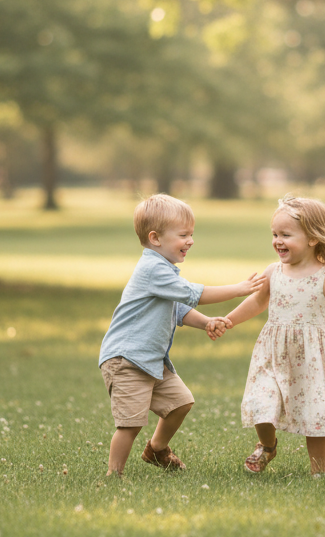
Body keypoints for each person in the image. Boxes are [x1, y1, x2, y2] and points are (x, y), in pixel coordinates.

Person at [99, 193, 266, 476]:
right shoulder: (153, 269)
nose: (190, 240)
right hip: (126, 359)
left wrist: (206, 323)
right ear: (155, 238)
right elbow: (192, 294)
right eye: (183, 235)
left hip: (150, 360)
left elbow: (177, 308)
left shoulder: (165, 270)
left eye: (191, 234)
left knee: (181, 402)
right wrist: (238, 289)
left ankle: (156, 449)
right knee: (130, 423)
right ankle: (113, 476)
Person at [222, 195, 325, 476]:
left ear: (312, 238)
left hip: (313, 359)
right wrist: (229, 320)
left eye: (286, 234)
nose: (277, 241)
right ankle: (267, 446)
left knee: (315, 414)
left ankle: (317, 472)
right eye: (274, 234)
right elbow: (258, 303)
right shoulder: (274, 272)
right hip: (273, 354)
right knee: (262, 400)